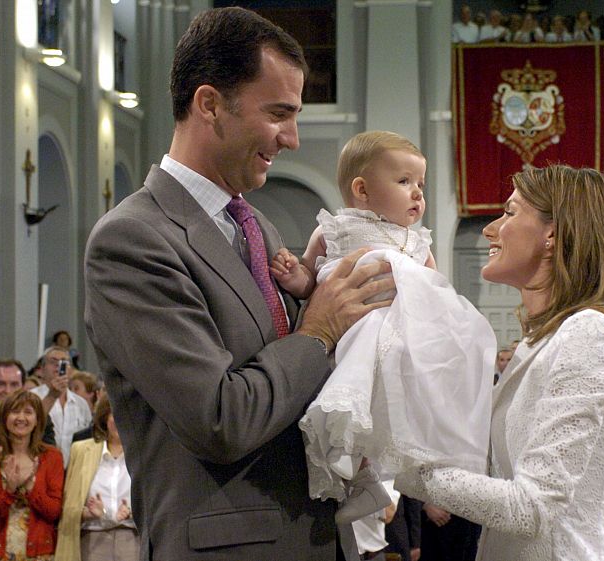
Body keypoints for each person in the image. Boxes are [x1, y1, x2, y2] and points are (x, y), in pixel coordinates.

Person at [83, 7, 397, 561]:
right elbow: (219, 419)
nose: (292, 138)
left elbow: (297, 381)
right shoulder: (134, 239)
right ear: (209, 104)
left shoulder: (256, 227)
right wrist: (319, 330)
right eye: (278, 114)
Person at [395, 165, 604, 561]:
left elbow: (531, 508)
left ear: (552, 235)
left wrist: (406, 468)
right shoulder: (543, 339)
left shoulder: (590, 334)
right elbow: (484, 469)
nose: (490, 230)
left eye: (509, 212)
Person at [271, 131, 495, 523]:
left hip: (396, 341)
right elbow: (311, 280)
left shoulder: (418, 242)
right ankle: (361, 482)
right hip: (347, 333)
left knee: (387, 416)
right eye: (405, 181)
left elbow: (437, 291)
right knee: (345, 414)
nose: (418, 193)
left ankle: (397, 477)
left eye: (421, 184)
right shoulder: (334, 230)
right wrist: (295, 276)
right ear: (362, 190)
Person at [0, 390, 64, 561]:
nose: (21, 418)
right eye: (15, 411)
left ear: (37, 420)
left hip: (41, 553)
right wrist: (9, 490)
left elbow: (53, 513)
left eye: (28, 412)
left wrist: (29, 486)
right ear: (4, 418)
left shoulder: (53, 457)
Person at [56, 397, 138, 561]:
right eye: (115, 414)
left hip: (132, 538)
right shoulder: (81, 450)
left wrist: (133, 512)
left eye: (127, 414)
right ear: (105, 417)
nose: (121, 420)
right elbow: (68, 504)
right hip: (92, 538)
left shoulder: (143, 454)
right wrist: (87, 513)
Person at [30, 346, 92, 466]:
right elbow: (31, 426)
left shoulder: (81, 404)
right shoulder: (31, 397)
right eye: (53, 362)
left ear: (71, 370)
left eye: (64, 362)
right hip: (40, 466)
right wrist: (52, 396)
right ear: (42, 369)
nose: (58, 366)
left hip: (74, 468)